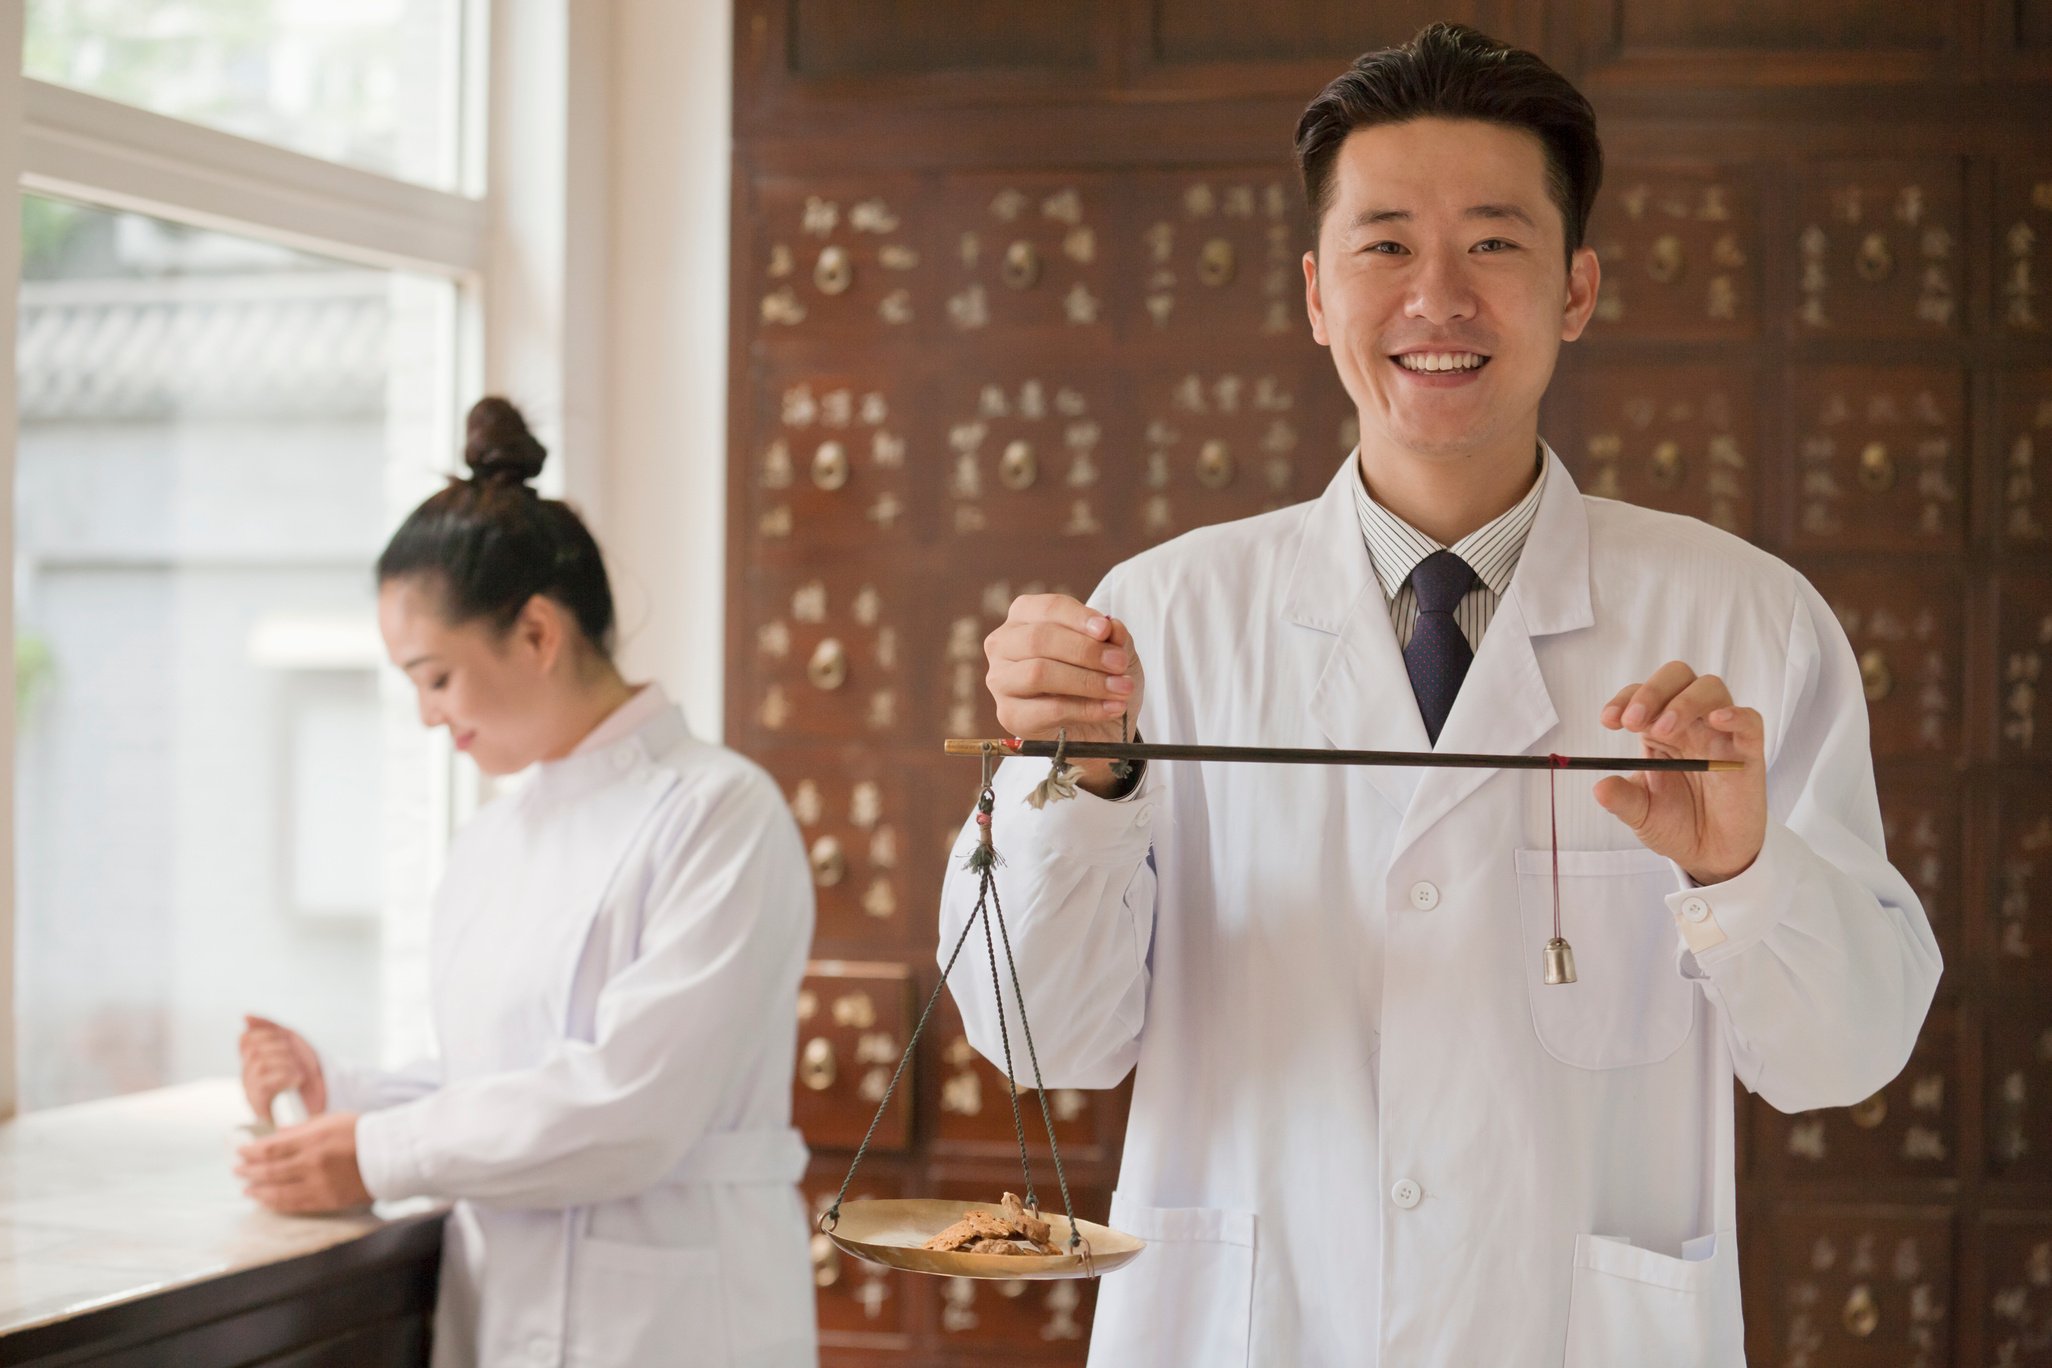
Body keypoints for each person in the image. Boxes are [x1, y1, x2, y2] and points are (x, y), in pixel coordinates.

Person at [941, 24, 1939, 1368]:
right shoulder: (1160, 619)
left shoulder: (1744, 622)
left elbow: (1845, 1057)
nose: (1439, 298)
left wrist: (1747, 871)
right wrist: (1091, 784)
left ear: (1577, 288)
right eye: (1387, 244)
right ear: (1313, 291)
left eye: (1495, 242)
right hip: (1257, 1332)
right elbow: (1042, 1033)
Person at [236, 397, 817, 1368]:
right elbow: (493, 1084)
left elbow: (633, 1108)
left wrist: (372, 1154)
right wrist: (341, 1091)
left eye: (436, 677)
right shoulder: (492, 840)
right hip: (502, 1312)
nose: (427, 716)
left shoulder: (719, 813)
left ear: (538, 634)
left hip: (677, 1326)